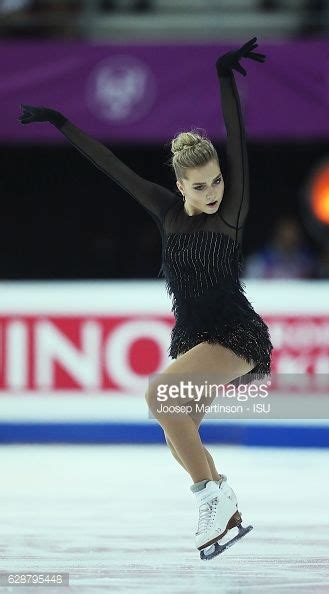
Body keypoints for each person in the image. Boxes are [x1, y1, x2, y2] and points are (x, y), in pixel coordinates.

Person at [18, 37, 273, 559]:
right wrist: (61, 121)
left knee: (161, 397)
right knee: (175, 422)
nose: (213, 193)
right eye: (199, 186)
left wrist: (224, 77)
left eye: (217, 181)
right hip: (195, 336)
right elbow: (110, 165)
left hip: (235, 333)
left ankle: (211, 497)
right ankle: (223, 502)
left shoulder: (230, 213)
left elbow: (237, 138)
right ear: (179, 186)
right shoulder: (166, 211)